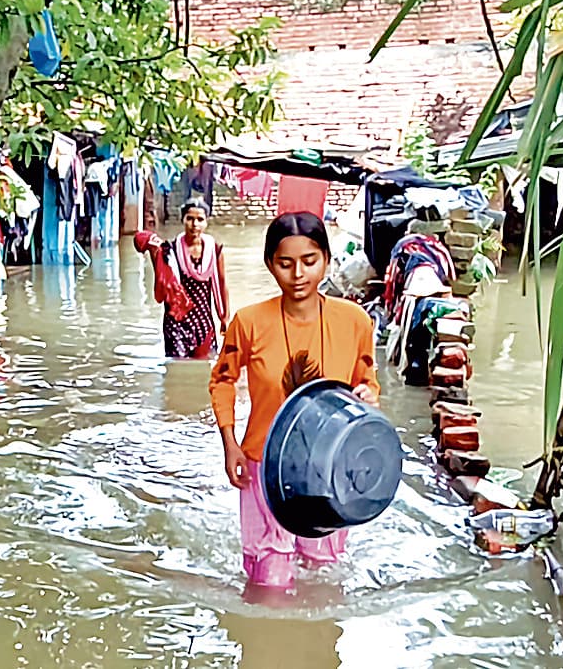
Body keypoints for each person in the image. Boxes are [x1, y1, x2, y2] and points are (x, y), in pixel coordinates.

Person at [209, 211, 380, 590]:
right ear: (270, 264)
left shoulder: (355, 321)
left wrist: (369, 396)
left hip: (330, 469)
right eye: (285, 264)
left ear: (327, 260)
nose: (298, 274)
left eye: (309, 261)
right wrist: (230, 445)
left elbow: (366, 381)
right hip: (264, 466)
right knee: (269, 583)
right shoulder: (248, 322)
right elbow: (221, 381)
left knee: (323, 578)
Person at [137, 199, 229, 358]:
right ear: (183, 220)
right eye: (190, 219)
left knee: (205, 368)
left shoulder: (215, 250)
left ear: (206, 222)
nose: (195, 224)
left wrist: (224, 317)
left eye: (200, 220)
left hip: (203, 322)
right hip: (176, 322)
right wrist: (154, 251)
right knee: (177, 369)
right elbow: (162, 280)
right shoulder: (170, 250)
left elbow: (222, 284)